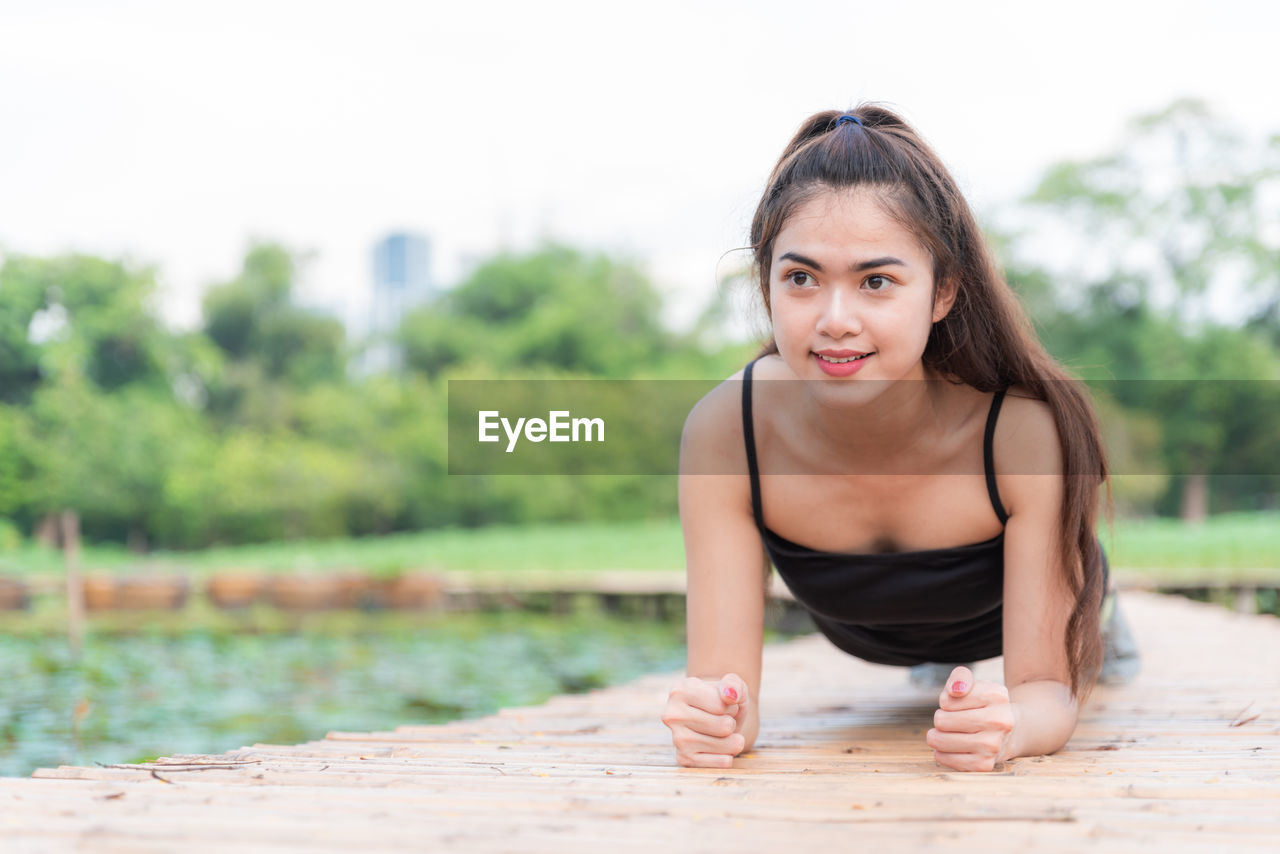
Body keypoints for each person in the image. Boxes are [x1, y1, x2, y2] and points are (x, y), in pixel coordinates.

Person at [661, 105, 1140, 773]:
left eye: (876, 282)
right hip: (867, 635)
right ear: (766, 283)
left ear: (943, 291)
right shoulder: (728, 431)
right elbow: (723, 685)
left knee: (1079, 662)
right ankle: (943, 669)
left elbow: (1043, 695)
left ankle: (1102, 627)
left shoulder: (1017, 433)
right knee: (944, 681)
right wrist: (715, 717)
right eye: (801, 278)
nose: (834, 320)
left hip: (1019, 614)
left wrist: (1010, 726)